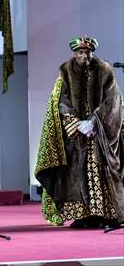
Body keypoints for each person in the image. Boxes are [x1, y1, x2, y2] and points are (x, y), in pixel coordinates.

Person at [35, 36, 123, 229]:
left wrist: (94, 122)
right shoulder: (65, 71)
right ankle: (83, 215)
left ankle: (105, 214)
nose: (85, 56)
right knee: (76, 173)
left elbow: (113, 100)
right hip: (76, 135)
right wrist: (76, 124)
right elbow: (61, 101)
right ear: (75, 53)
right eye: (80, 52)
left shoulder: (105, 70)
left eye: (88, 52)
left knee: (101, 171)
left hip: (100, 134)